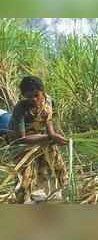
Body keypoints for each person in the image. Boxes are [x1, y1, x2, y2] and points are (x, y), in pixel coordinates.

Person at [6, 76, 67, 204]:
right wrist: (50, 137)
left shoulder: (49, 101)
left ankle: (60, 194)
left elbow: (48, 119)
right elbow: (21, 138)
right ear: (23, 96)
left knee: (57, 166)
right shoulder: (20, 109)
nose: (33, 99)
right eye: (28, 97)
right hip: (22, 142)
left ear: (42, 92)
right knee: (25, 177)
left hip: (42, 137)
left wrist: (52, 134)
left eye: (36, 95)